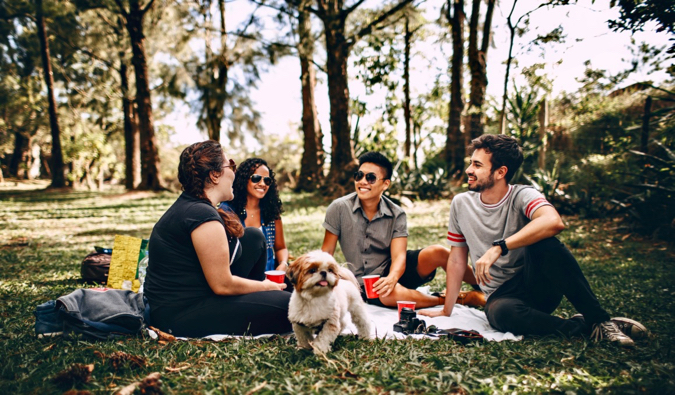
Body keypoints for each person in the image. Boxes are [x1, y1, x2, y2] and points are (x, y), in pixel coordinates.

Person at [419, 134, 647, 347]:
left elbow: (553, 221)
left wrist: (500, 247)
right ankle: (586, 327)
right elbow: (457, 259)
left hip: (537, 284)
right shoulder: (461, 204)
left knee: (546, 243)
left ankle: (600, 319)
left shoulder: (522, 195)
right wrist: (447, 310)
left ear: (500, 172)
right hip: (502, 297)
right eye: (471, 162)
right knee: (501, 315)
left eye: (477, 165)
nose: (469, 169)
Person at [144, 140, 291, 337]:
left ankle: (263, 298)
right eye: (230, 164)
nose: (234, 171)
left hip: (200, 294)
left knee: (253, 237)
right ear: (214, 175)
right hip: (180, 313)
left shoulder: (195, 207)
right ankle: (266, 298)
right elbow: (222, 285)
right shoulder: (201, 216)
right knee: (292, 307)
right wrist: (265, 286)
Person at [321, 151, 483, 309]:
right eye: (359, 176)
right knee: (389, 294)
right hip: (365, 282)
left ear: (385, 184)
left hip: (395, 269)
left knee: (438, 252)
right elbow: (326, 253)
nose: (362, 181)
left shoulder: (396, 213)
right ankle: (459, 299)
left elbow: (399, 256)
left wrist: (392, 278)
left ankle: (485, 286)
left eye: (370, 178)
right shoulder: (339, 208)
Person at [221, 158, 289, 272]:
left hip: (269, 279)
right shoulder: (227, 211)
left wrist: (283, 264)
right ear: (243, 180)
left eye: (267, 180)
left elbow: (281, 248)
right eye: (256, 178)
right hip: (239, 280)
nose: (262, 184)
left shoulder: (271, 212)